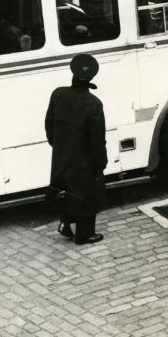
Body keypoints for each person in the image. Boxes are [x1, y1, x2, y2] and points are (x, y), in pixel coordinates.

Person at [45, 54, 108, 245]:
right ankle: (84, 234)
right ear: (91, 78)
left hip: (62, 154)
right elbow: (97, 140)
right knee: (86, 196)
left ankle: (65, 223)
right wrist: (100, 164)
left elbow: (49, 125)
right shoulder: (94, 104)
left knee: (68, 190)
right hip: (84, 161)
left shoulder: (58, 94)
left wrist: (58, 145)